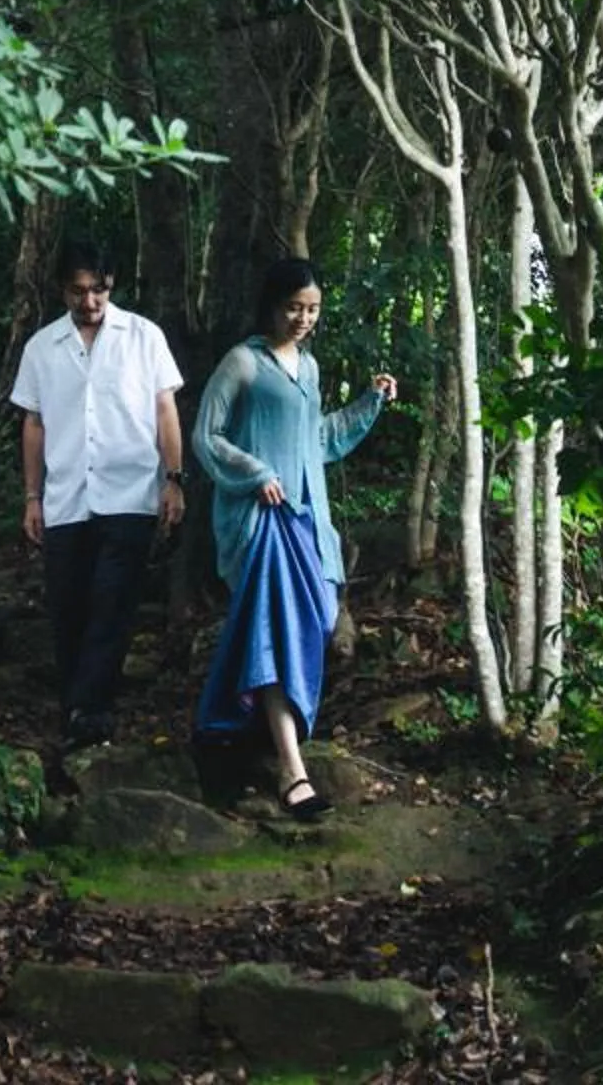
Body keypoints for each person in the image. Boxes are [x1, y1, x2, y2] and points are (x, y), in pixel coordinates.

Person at [193, 255, 395, 819]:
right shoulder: (242, 364)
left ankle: (241, 730)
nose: (304, 319)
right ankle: (293, 770)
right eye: (294, 308)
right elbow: (206, 437)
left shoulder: (307, 369)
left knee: (315, 624)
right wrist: (256, 474)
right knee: (274, 635)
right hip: (261, 526)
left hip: (307, 523)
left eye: (313, 310)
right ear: (272, 305)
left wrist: (369, 403)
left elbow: (318, 440)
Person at [11, 239, 186, 752]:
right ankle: (77, 707)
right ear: (62, 289)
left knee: (113, 605)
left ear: (112, 287)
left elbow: (164, 410)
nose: (89, 302)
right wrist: (32, 496)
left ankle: (92, 713)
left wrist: (174, 479)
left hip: (130, 491)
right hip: (66, 495)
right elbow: (34, 424)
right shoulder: (42, 347)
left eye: (99, 290)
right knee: (68, 606)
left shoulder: (143, 337)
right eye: (78, 291)